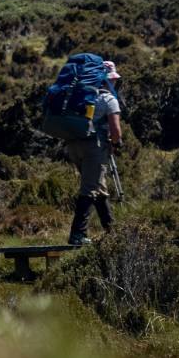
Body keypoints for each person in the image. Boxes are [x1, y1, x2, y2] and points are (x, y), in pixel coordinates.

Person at [66, 60, 123, 245]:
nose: (114, 82)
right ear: (106, 80)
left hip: (74, 146)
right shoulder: (108, 99)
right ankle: (77, 235)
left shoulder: (81, 96)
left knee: (99, 188)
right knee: (90, 189)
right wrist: (116, 144)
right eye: (112, 79)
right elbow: (115, 131)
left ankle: (111, 231)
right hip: (94, 147)